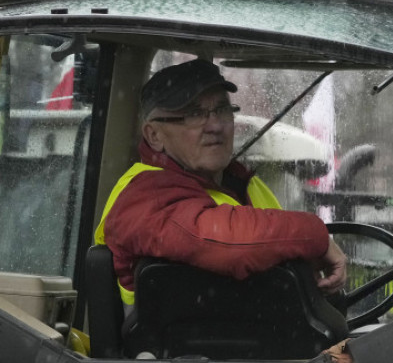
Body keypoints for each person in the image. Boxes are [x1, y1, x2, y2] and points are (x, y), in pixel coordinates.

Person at [95, 58, 347, 320]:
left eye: (222, 110)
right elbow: (228, 244)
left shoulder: (244, 184)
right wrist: (315, 237)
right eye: (194, 114)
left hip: (266, 347)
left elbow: (276, 252)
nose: (215, 126)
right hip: (173, 358)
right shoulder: (141, 194)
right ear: (154, 136)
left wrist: (305, 260)